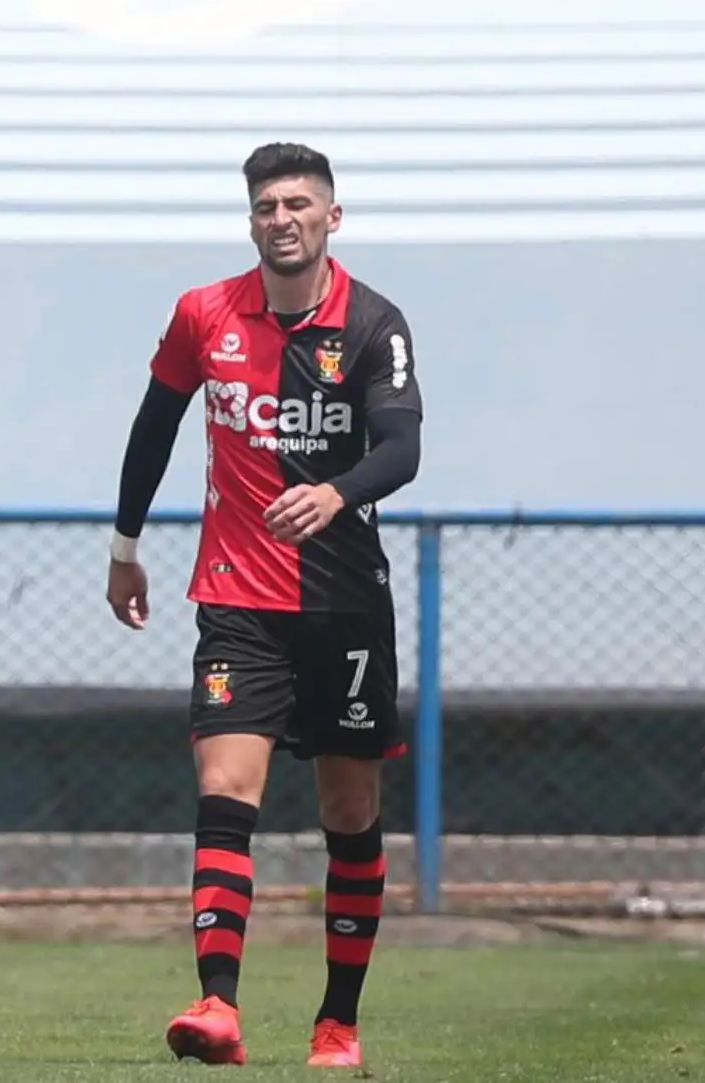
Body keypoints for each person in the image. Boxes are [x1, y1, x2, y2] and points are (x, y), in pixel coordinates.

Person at [106, 143, 423, 1069]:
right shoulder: (204, 314)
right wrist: (125, 549)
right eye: (265, 206)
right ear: (252, 222)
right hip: (236, 602)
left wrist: (337, 492)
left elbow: (402, 448)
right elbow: (152, 428)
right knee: (223, 792)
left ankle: (338, 1022)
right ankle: (217, 1004)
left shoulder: (373, 322)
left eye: (298, 203)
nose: (281, 218)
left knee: (350, 810)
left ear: (332, 217)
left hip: (344, 608)